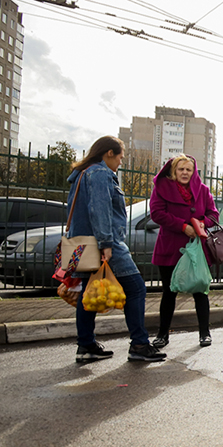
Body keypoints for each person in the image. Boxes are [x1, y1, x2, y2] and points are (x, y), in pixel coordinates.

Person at [67, 136, 166, 363]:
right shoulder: (100, 173)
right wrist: (106, 244)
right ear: (108, 153)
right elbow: (99, 211)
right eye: (120, 156)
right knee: (136, 288)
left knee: (87, 292)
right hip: (103, 242)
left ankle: (86, 346)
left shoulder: (81, 174)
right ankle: (139, 345)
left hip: (81, 243)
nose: (121, 161)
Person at [149, 154, 219, 348]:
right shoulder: (162, 188)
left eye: (189, 169)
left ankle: (205, 333)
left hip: (197, 249)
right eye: (181, 169)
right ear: (174, 171)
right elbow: (156, 213)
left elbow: (214, 214)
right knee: (169, 292)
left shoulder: (203, 191)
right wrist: (182, 226)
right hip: (170, 247)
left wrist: (202, 224)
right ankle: (162, 334)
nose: (185, 173)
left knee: (201, 291)